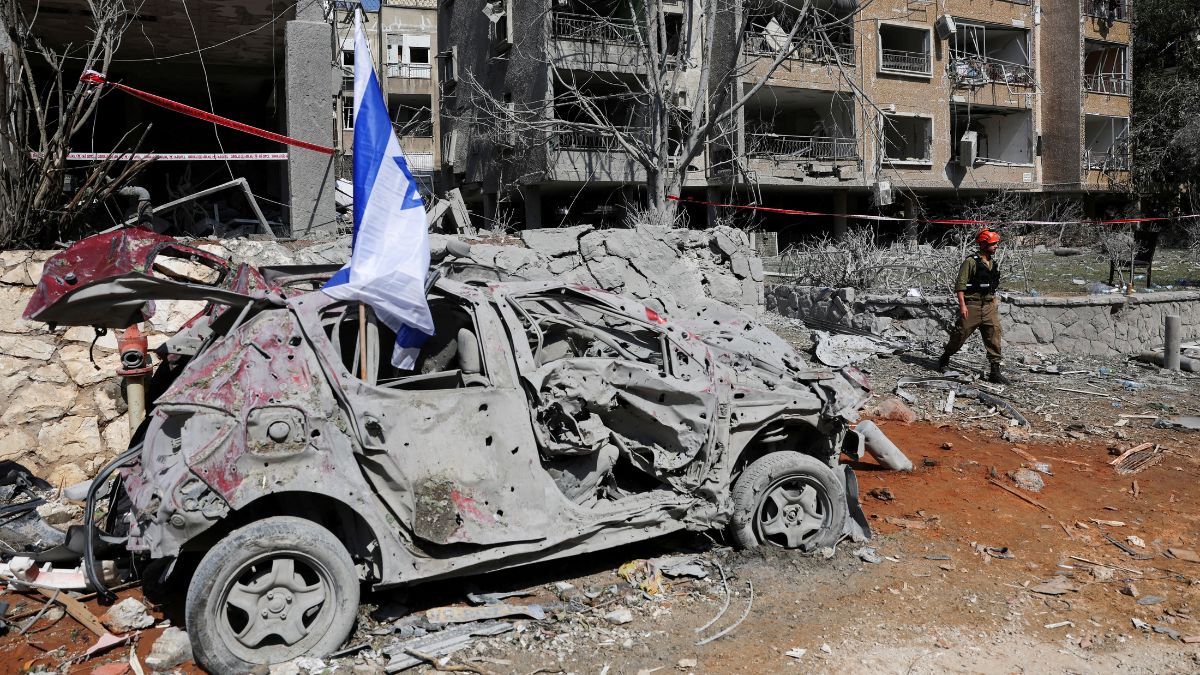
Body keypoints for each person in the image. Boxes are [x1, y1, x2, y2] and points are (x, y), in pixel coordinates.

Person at [937, 228, 1011, 384]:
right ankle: (944, 358)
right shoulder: (970, 262)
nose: (996, 246)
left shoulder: (992, 263)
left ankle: (995, 371)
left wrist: (993, 302)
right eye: (993, 244)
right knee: (960, 334)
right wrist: (963, 306)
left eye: (996, 244)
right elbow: (960, 285)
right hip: (972, 306)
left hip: (989, 306)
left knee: (994, 336)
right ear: (983, 244)